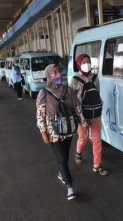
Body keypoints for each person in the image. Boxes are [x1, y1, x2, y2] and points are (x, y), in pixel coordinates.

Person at [36, 64, 89, 200]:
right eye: (54, 72)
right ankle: (70, 187)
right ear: (48, 75)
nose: (58, 74)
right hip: (53, 131)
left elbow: (77, 108)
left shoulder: (68, 90)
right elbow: (40, 114)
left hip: (68, 129)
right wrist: (43, 132)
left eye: (59, 71)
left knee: (65, 156)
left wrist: (84, 124)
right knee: (62, 158)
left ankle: (62, 173)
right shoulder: (44, 93)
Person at [70, 54, 109, 176]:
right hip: (81, 115)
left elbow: (97, 93)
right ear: (78, 64)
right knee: (84, 138)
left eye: (88, 61)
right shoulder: (74, 80)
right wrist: (80, 119)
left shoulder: (95, 78)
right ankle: (78, 151)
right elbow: (72, 100)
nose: (86, 63)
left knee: (97, 139)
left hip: (95, 113)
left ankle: (97, 164)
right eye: (83, 62)